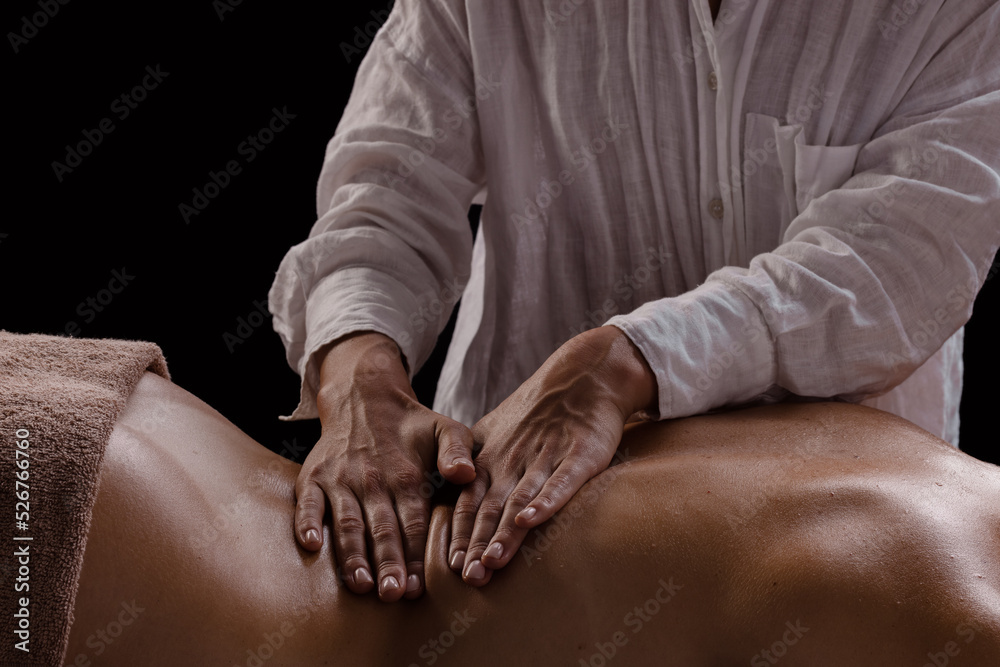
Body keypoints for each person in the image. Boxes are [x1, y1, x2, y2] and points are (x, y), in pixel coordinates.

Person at [268, 0, 1000, 600]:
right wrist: (360, 379)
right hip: (509, 533)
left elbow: (896, 262)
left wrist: (622, 363)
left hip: (847, 551)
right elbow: (384, 202)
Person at [68, 367, 1000, 665]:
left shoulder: (917, 466)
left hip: (137, 438)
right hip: (135, 567)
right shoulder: (959, 612)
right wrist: (357, 366)